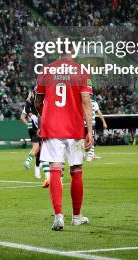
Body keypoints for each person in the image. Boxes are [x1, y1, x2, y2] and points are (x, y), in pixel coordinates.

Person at [36, 53, 93, 231]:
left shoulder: (46, 70)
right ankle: (76, 216)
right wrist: (89, 130)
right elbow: (86, 101)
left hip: (52, 126)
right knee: (76, 170)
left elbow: (38, 101)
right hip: (74, 127)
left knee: (54, 168)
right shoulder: (82, 71)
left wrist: (45, 114)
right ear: (73, 52)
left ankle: (59, 216)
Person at [21, 90, 49, 185]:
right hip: (36, 128)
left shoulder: (35, 103)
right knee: (39, 148)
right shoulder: (33, 103)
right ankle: (36, 166)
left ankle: (37, 166)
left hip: (39, 127)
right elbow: (23, 115)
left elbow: (23, 116)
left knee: (41, 149)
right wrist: (30, 121)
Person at [86, 96, 107, 161]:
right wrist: (104, 122)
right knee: (90, 139)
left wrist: (104, 122)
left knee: (88, 139)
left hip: (88, 123)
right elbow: (99, 113)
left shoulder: (92, 102)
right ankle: (90, 156)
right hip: (89, 123)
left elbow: (99, 113)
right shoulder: (93, 102)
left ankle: (91, 154)